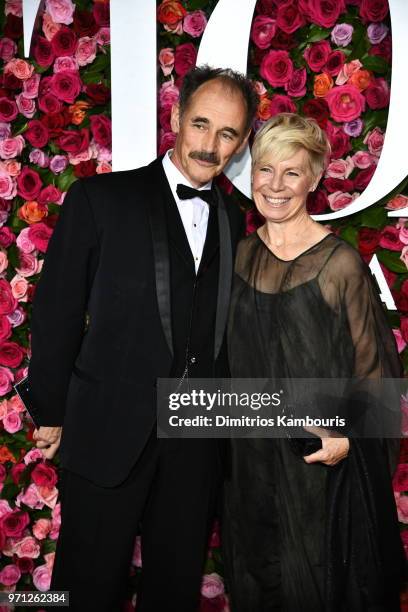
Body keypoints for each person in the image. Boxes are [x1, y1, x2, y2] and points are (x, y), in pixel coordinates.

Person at [22, 66, 258, 611]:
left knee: (173, 589)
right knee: (84, 586)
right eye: (200, 124)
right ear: (175, 118)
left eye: (227, 133)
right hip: (107, 426)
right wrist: (52, 412)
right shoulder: (99, 199)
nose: (210, 144)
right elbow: (58, 309)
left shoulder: (237, 219)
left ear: (243, 142)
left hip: (196, 442)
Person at [222, 113, 406, 611]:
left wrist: (347, 438)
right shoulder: (234, 257)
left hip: (321, 471)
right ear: (250, 174)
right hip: (249, 472)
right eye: (265, 170)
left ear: (315, 178)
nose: (275, 185)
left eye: (292, 172)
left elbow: (376, 376)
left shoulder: (339, 263)